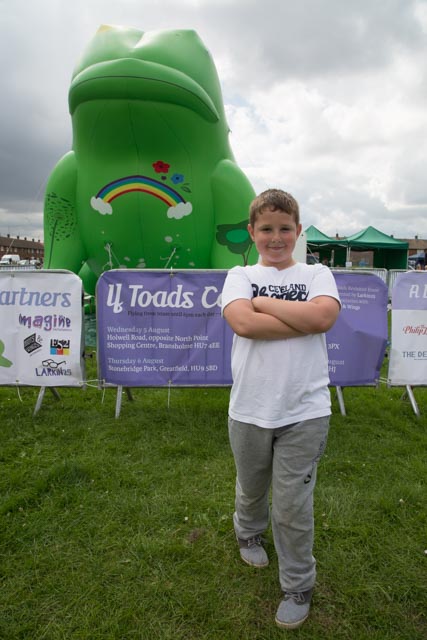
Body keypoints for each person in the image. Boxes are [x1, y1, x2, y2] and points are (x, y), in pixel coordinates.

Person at [221, 188, 341, 629]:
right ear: (252, 231)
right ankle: (248, 532)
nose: (276, 237)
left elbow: (323, 318)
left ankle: (298, 585)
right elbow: (243, 323)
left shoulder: (317, 274)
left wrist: (265, 303)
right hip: (249, 409)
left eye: (285, 228)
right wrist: (300, 318)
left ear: (298, 231)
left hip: (306, 410)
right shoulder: (239, 274)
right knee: (252, 487)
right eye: (267, 228)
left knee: (292, 507)